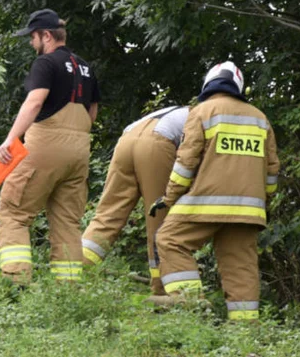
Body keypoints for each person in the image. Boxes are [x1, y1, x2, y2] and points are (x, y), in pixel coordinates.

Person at [148, 62, 280, 320]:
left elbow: (185, 163)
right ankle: (245, 332)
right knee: (241, 267)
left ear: (208, 83)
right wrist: (265, 200)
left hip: (203, 204)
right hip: (248, 211)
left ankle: (190, 302)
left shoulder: (202, 112)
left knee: (169, 239)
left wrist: (169, 197)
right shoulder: (260, 118)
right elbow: (272, 170)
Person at [0, 9, 100, 284]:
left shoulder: (46, 63)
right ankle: (68, 287)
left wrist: (11, 139)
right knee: (67, 221)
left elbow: (34, 102)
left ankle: (15, 281)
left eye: (33, 37)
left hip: (46, 146)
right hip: (79, 152)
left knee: (13, 212)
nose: (31, 43)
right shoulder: (86, 67)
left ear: (46, 35)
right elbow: (92, 112)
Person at [80, 105, 190, 295]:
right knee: (160, 220)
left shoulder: (184, 111)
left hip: (127, 138)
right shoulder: (210, 117)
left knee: (107, 216)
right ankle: (161, 289)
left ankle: (74, 273)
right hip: (158, 143)